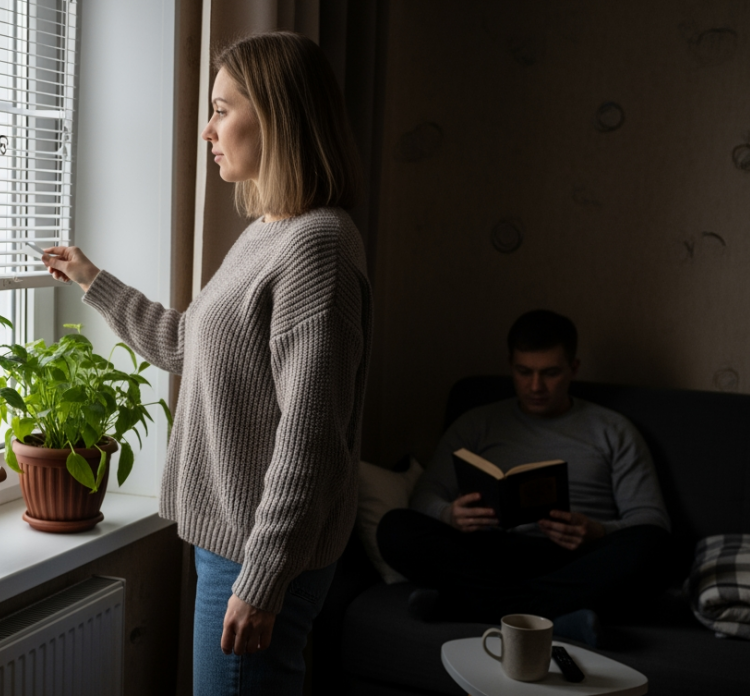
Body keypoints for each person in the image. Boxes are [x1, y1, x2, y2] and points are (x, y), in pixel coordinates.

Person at [40, 32, 372, 695]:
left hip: (256, 552)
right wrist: (92, 280)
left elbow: (309, 442)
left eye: (222, 109)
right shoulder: (268, 234)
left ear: (275, 116)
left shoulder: (316, 248)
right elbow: (186, 346)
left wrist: (263, 577)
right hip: (231, 544)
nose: (206, 130)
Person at [376, 310, 673, 647]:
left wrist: (598, 531)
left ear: (573, 368)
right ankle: (555, 617)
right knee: (394, 527)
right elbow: (425, 495)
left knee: (658, 549)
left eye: (550, 373)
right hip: (488, 555)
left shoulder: (613, 430)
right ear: (510, 365)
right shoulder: (477, 423)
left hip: (573, 560)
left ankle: (467, 605)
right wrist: (450, 514)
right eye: (523, 372)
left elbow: (652, 519)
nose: (535, 386)